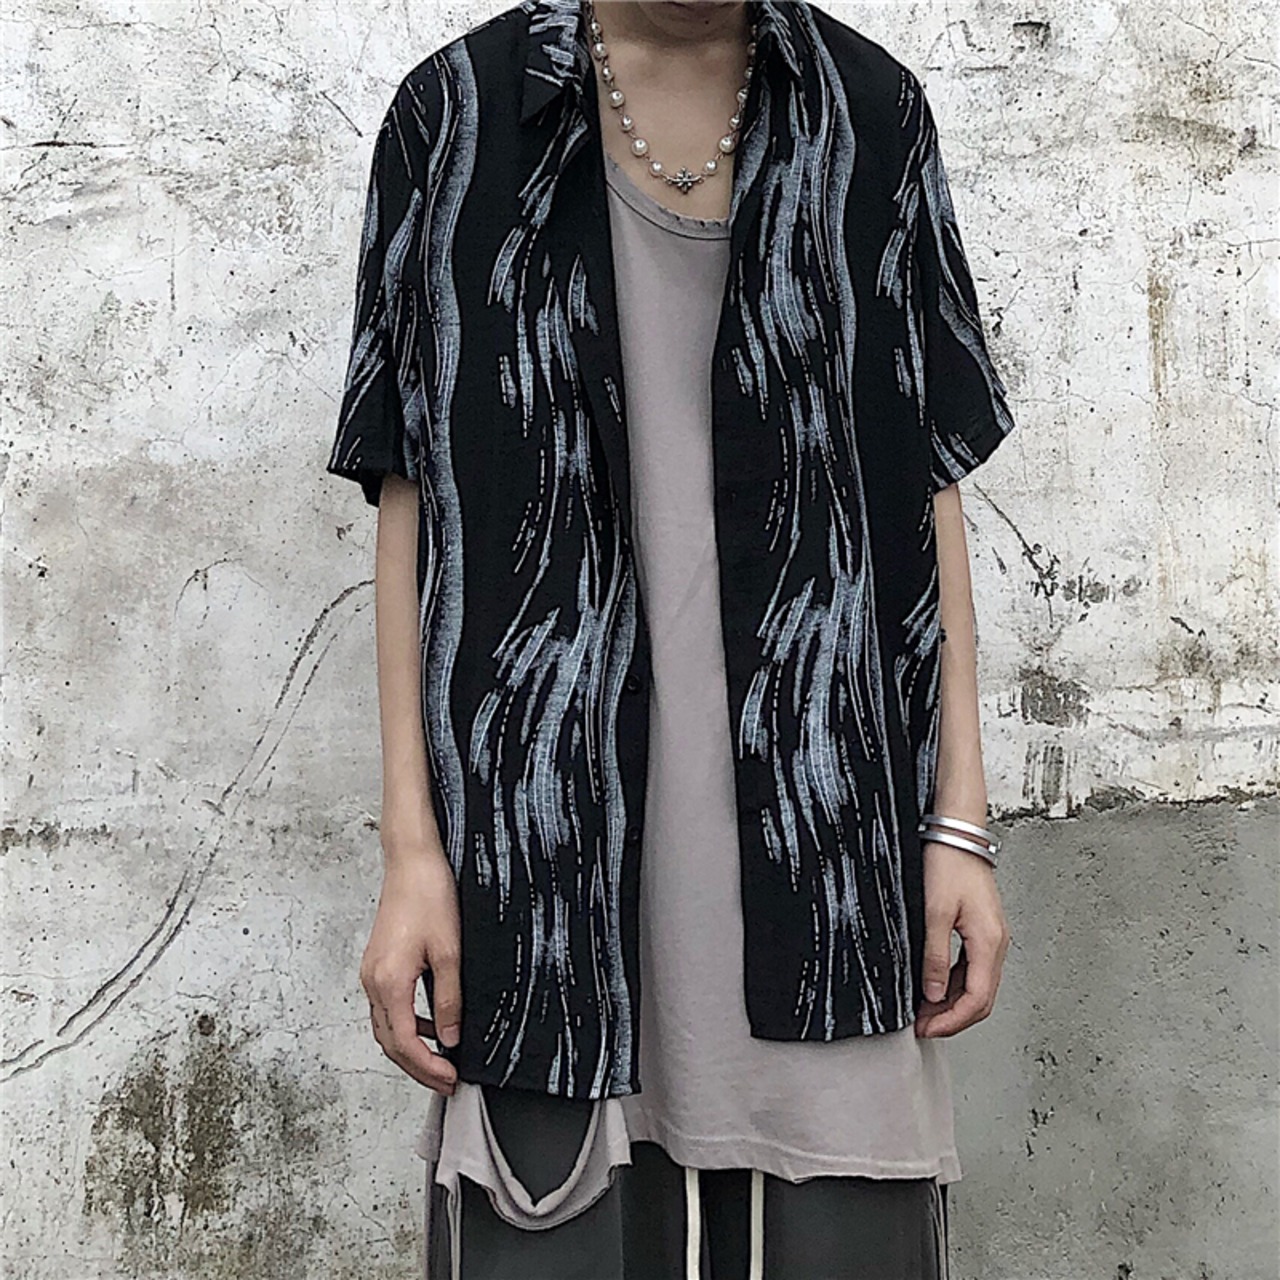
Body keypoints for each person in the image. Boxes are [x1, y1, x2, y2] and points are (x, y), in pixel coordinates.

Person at [325, 0, 1018, 1276]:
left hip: (827, 845)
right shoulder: (457, 118)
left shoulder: (869, 115)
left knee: (840, 1237)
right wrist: (411, 850)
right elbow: (413, 506)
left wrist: (956, 824)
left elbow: (926, 487)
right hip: (543, 862)